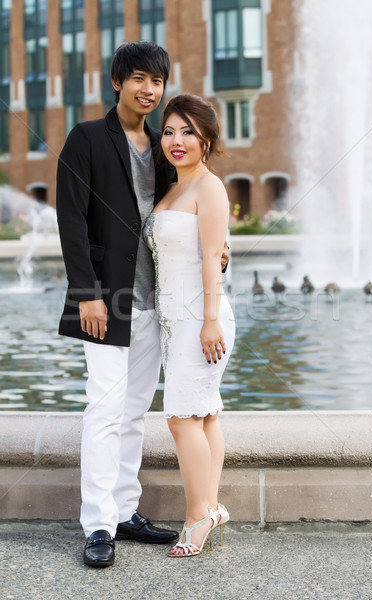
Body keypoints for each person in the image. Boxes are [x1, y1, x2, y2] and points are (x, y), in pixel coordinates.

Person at [57, 41, 180, 568]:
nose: (148, 89)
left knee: (133, 413)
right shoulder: (86, 138)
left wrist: (218, 245)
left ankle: (126, 512)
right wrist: (87, 294)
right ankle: (98, 524)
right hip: (106, 300)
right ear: (117, 82)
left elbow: (180, 213)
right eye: (138, 79)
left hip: (155, 302)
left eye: (156, 81)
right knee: (104, 410)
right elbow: (72, 222)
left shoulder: (161, 146)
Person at [144, 94, 235, 557]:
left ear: (207, 139)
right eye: (169, 131)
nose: (177, 141)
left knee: (181, 419)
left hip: (201, 319)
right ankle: (211, 508)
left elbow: (211, 261)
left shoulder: (209, 187)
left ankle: (198, 516)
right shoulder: (172, 187)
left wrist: (210, 321)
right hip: (173, 320)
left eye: (187, 132)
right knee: (204, 415)